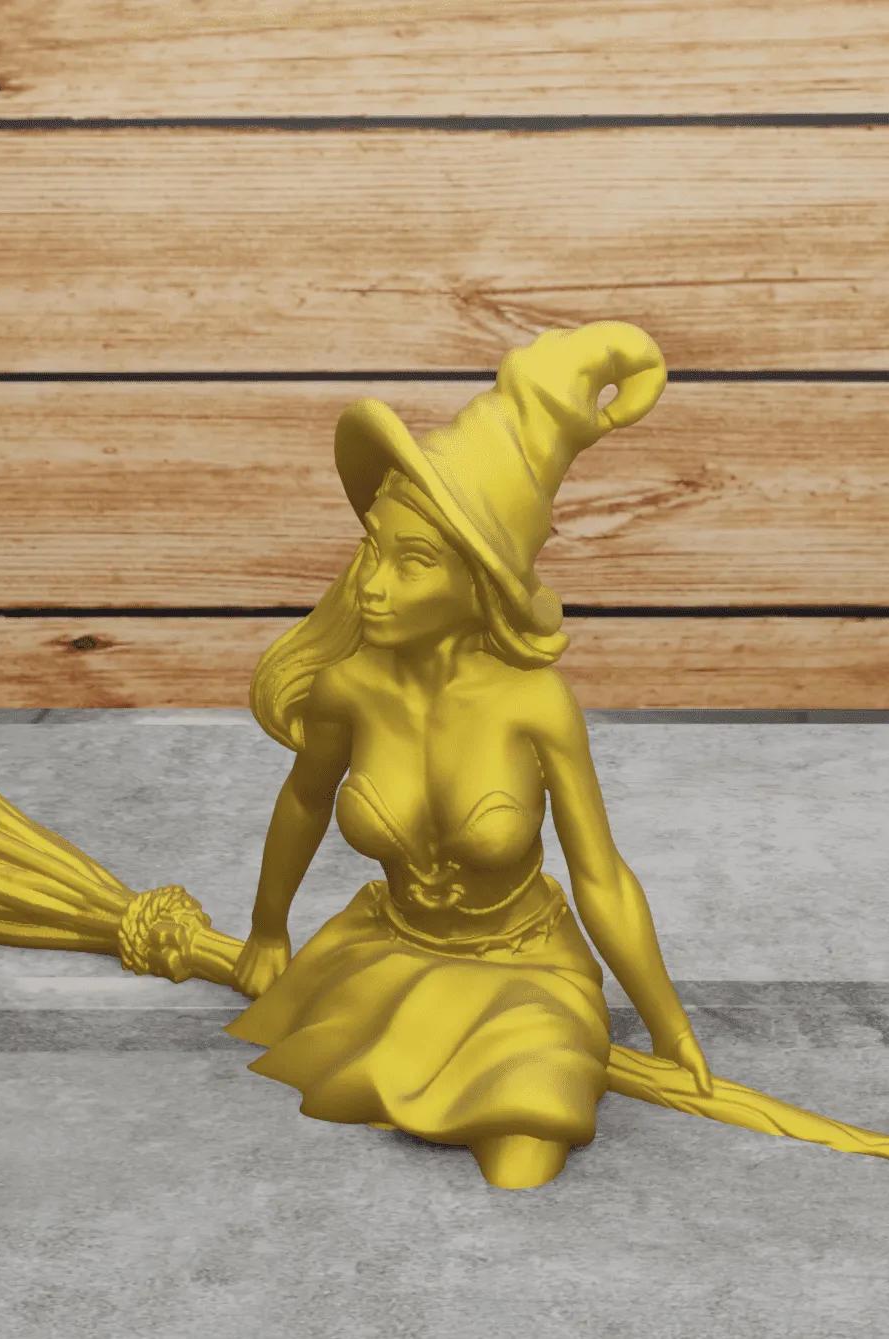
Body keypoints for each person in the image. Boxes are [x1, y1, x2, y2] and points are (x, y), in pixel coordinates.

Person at [226, 321, 714, 1189]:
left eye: (412, 562)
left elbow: (599, 876)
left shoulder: (534, 706)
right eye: (373, 549)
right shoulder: (349, 688)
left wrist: (668, 1024)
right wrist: (268, 928)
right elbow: (304, 798)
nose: (373, 585)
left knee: (522, 1162)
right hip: (384, 953)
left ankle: (492, 1070)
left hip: (524, 970)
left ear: (481, 584)